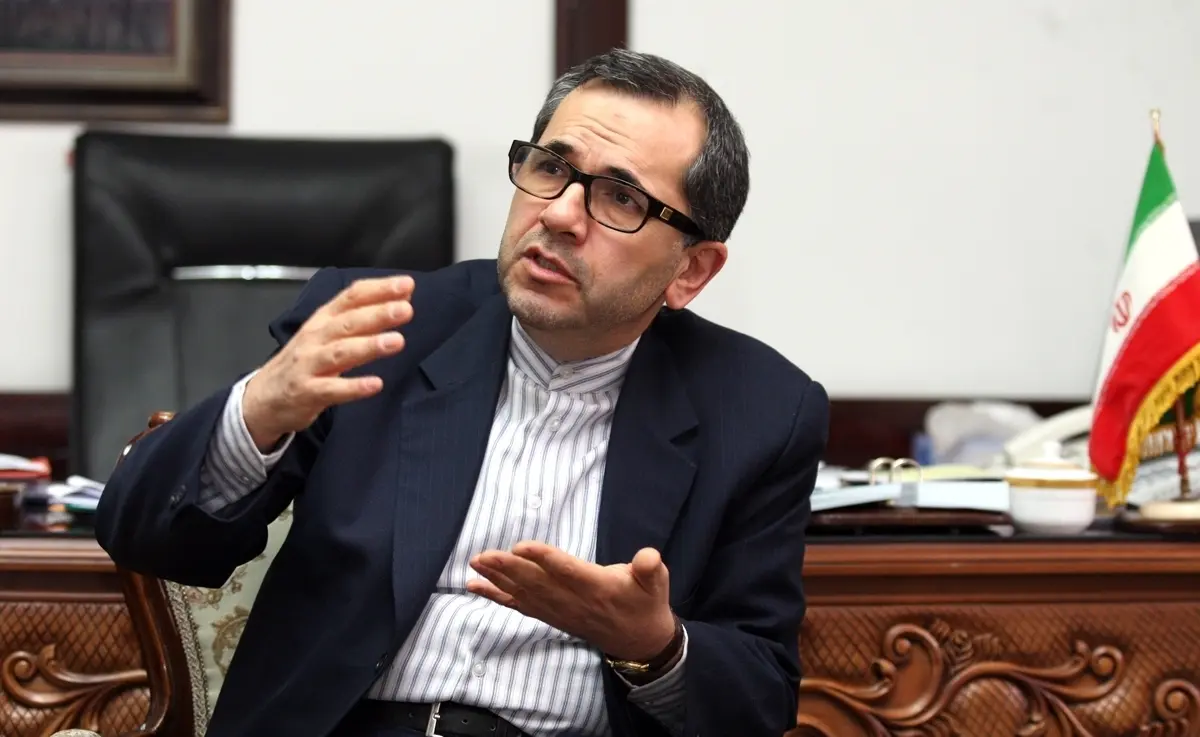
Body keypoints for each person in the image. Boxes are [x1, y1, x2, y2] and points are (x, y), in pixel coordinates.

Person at [95, 49, 829, 737]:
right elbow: (142, 533)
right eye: (551, 167)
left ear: (691, 271)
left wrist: (653, 645)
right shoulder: (382, 325)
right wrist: (259, 409)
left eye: (620, 198)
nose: (560, 214)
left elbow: (759, 697)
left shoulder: (761, 410)